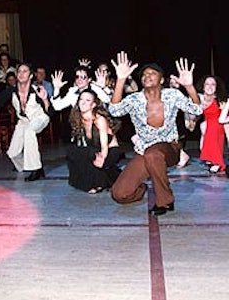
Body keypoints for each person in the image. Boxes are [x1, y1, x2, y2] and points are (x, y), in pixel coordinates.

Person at [108, 52, 202, 216]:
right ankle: (142, 188)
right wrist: (121, 79)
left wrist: (189, 87)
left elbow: (196, 109)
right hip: (144, 151)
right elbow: (114, 110)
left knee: (154, 154)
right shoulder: (134, 99)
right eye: (144, 74)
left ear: (162, 80)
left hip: (169, 149)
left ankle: (166, 201)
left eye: (152, 73)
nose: (147, 76)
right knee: (119, 194)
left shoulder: (172, 95)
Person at [0, 62, 52, 181]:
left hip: (40, 117)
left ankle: (35, 169)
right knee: (13, 153)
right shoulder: (11, 91)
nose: (21, 74)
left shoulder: (37, 90)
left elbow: (50, 112)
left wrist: (45, 100)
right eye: (19, 71)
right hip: (24, 121)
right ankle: (35, 165)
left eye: (25, 71)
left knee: (30, 131)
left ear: (30, 76)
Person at [67, 89, 122, 194]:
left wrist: (101, 158)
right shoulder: (78, 118)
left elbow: (104, 146)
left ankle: (98, 183)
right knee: (73, 151)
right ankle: (99, 179)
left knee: (90, 153)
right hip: (95, 149)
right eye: (81, 99)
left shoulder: (99, 119)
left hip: (109, 151)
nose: (83, 102)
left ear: (93, 105)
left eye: (87, 100)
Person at [196, 75, 227, 173]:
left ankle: (218, 162)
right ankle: (210, 157)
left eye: (213, 84)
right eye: (207, 84)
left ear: (216, 87)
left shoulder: (220, 99)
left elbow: (223, 117)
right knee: (205, 127)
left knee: (212, 125)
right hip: (207, 124)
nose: (210, 87)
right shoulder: (198, 98)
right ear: (203, 86)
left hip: (221, 123)